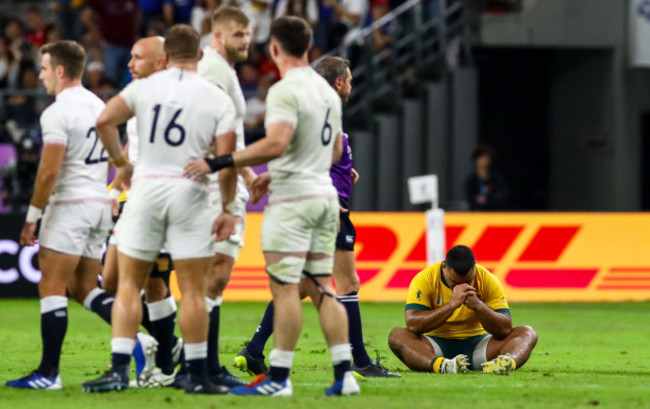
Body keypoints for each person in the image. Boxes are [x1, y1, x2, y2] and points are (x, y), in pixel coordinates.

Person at [184, 16, 360, 397]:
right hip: (324, 198)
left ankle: (279, 377)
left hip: (294, 201)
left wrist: (226, 161)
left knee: (284, 290)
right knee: (320, 287)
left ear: (275, 48)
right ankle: (344, 375)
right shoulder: (328, 92)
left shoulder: (284, 90)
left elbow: (277, 143)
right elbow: (332, 151)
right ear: (308, 47)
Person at [81, 24, 238, 394]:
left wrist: (120, 161)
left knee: (127, 285)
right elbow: (226, 160)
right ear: (200, 56)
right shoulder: (217, 97)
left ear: (166, 58)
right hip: (191, 194)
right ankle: (196, 373)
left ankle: (120, 368)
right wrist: (228, 207)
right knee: (193, 291)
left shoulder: (143, 88)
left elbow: (104, 120)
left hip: (146, 191)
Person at [233, 56, 399, 379]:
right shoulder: (322, 109)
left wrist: (341, 169)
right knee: (344, 282)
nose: (351, 86)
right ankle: (359, 361)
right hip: (327, 207)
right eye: (349, 80)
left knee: (300, 285)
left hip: (318, 201)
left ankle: (254, 350)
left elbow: (310, 151)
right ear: (338, 83)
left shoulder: (318, 111)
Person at [6, 40, 115, 390]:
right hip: (99, 203)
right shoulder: (100, 106)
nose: (40, 76)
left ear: (61, 71)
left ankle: (48, 374)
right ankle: (143, 342)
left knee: (50, 284)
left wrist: (31, 217)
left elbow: (48, 172)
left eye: (44, 68)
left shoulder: (57, 112)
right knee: (84, 287)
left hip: (69, 204)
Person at [187, 5, 262, 389]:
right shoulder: (215, 72)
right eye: (238, 35)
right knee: (214, 277)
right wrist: (231, 194)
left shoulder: (220, 70)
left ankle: (194, 362)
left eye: (248, 34)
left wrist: (249, 172)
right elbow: (219, 138)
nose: (246, 41)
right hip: (217, 188)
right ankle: (202, 366)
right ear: (217, 35)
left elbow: (228, 136)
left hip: (221, 181)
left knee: (208, 279)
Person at [102, 36, 181, 387]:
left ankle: (160, 352)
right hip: (136, 199)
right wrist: (115, 186)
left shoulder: (172, 95)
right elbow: (131, 147)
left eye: (138, 58)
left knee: (121, 281)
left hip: (159, 200)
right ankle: (166, 358)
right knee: (149, 284)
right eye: (130, 56)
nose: (130, 64)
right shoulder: (138, 95)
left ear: (160, 61)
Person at [388, 245, 538, 374]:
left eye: (468, 281)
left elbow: (504, 330)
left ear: (475, 267)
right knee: (397, 335)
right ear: (444, 266)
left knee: (527, 332)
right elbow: (414, 325)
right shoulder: (425, 278)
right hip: (435, 346)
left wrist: (479, 306)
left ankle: (505, 364)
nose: (461, 286)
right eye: (454, 282)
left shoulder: (487, 279)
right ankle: (444, 366)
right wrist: (452, 304)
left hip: (480, 346)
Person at [465, 145, 510, 211]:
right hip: (477, 214)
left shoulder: (496, 178)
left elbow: (503, 196)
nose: (483, 161)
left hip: (495, 213)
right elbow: (470, 199)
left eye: (486, 158)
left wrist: (488, 199)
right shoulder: (471, 180)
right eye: (481, 158)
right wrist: (477, 200)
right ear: (475, 160)